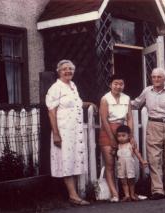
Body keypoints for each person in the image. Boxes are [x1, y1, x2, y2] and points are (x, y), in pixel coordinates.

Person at [45, 59, 96, 206]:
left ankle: (75, 194)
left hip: (75, 131)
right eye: (64, 69)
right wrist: (56, 133)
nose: (68, 71)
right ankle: (73, 196)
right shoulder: (56, 88)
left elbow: (76, 104)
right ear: (59, 71)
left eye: (70, 69)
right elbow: (51, 112)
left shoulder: (72, 86)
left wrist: (89, 103)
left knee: (73, 158)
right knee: (66, 160)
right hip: (64, 130)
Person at [131, 67, 165, 200]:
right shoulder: (147, 91)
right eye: (154, 77)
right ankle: (157, 190)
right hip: (154, 125)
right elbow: (136, 104)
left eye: (159, 77)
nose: (156, 79)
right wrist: (120, 101)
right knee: (154, 159)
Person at [99, 74, 134, 202]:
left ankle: (129, 193)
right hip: (107, 131)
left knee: (125, 162)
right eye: (116, 84)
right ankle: (115, 194)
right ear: (110, 85)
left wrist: (131, 136)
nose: (118, 86)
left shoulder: (127, 98)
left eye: (121, 84)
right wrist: (112, 138)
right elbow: (104, 119)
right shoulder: (105, 99)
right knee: (110, 164)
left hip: (123, 131)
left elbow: (129, 118)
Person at [115, 125, 148, 202]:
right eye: (119, 136)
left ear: (129, 136)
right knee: (123, 180)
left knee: (131, 180)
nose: (121, 138)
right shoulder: (118, 146)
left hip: (129, 166)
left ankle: (132, 194)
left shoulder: (131, 145)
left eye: (123, 135)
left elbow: (137, 153)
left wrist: (142, 160)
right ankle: (127, 195)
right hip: (121, 166)